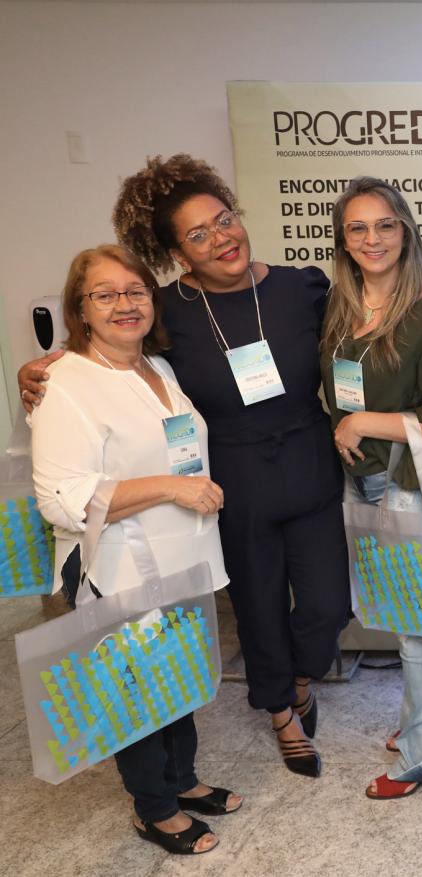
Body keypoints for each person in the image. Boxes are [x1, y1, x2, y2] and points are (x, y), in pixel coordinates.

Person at [21, 155, 349, 776]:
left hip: (308, 463)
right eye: (198, 235)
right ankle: (280, 708)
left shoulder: (302, 287)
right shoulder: (165, 309)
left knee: (327, 605)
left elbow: (360, 342)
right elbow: (106, 352)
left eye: (223, 220)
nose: (220, 237)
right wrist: (36, 372)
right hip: (230, 480)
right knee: (257, 605)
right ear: (176, 254)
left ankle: (303, 677)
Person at [30, 245, 241, 855]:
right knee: (134, 691)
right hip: (120, 565)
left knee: (175, 677)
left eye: (136, 290)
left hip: (182, 559)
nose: (124, 304)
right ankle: (154, 808)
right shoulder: (65, 383)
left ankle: (183, 780)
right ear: (80, 309)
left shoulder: (157, 368)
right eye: (105, 294)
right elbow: (62, 499)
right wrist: (171, 488)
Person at [319, 177, 422, 799]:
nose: (372, 239)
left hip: (412, 479)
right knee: (415, 613)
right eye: (357, 228)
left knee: (414, 622)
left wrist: (361, 423)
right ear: (343, 240)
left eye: (385, 225)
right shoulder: (340, 308)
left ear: (405, 232)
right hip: (362, 479)